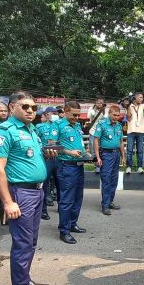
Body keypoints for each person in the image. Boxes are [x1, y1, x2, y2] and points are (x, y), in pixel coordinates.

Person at [0, 95, 50, 285]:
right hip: (20, 193)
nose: (30, 110)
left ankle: (25, 280)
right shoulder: (5, 131)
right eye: (25, 106)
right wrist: (8, 202)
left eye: (34, 107)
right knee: (22, 244)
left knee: (30, 242)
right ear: (12, 107)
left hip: (36, 192)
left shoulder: (31, 130)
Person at [56, 100, 87, 244]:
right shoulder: (58, 125)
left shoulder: (77, 125)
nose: (77, 117)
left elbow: (78, 143)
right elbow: (51, 146)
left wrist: (85, 153)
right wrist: (69, 152)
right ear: (66, 111)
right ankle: (64, 231)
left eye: (78, 115)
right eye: (74, 115)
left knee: (78, 197)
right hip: (66, 166)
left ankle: (72, 223)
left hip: (79, 165)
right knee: (67, 199)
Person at [93, 104, 125, 215]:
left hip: (116, 154)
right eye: (114, 115)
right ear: (109, 114)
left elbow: (121, 142)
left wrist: (123, 156)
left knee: (114, 179)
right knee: (106, 179)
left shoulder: (119, 126)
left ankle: (110, 201)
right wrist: (98, 157)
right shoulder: (102, 124)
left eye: (118, 115)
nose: (116, 117)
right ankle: (105, 205)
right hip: (106, 154)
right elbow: (96, 140)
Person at [125, 92, 144, 174]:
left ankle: (140, 167)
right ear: (136, 98)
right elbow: (128, 118)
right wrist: (128, 107)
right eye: (140, 97)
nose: (142, 99)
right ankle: (129, 167)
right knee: (129, 150)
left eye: (142, 97)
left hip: (140, 131)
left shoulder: (142, 105)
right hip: (131, 131)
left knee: (140, 150)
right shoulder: (129, 106)